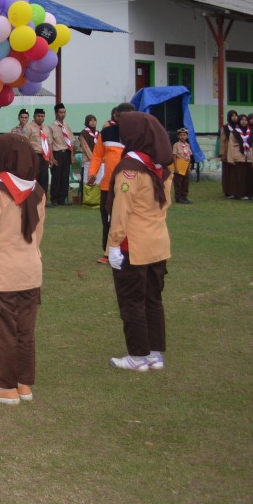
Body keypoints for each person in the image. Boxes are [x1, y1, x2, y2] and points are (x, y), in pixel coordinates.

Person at [0, 134, 46, 405]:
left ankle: (6, 386)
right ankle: (24, 383)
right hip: (30, 271)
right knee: (25, 329)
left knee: (3, 330)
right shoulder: (38, 190)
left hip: (3, 274)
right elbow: (38, 234)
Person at [106, 111, 173, 372]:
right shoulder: (161, 167)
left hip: (132, 245)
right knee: (153, 300)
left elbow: (122, 211)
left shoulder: (130, 169)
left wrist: (113, 244)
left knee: (132, 301)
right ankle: (154, 353)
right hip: (157, 242)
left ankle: (138, 354)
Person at [88, 103, 134, 263]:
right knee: (107, 219)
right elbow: (97, 156)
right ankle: (108, 253)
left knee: (127, 219)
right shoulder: (106, 133)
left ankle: (128, 251)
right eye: (124, 116)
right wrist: (92, 173)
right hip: (108, 185)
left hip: (129, 185)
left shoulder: (137, 134)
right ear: (116, 116)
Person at [46, 103, 74, 205]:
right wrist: (52, 158)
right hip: (57, 153)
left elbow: (70, 142)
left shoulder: (66, 126)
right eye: (60, 112)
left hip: (66, 153)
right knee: (56, 177)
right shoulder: (51, 127)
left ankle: (62, 199)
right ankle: (54, 198)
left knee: (65, 176)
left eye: (64, 112)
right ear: (56, 113)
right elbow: (50, 143)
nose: (62, 114)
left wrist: (72, 156)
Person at [24, 107, 51, 201]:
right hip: (34, 155)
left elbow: (49, 143)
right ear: (34, 116)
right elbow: (24, 142)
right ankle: (33, 199)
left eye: (42, 116)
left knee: (44, 177)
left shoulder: (46, 128)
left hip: (44, 156)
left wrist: (51, 157)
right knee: (35, 177)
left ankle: (43, 198)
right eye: (38, 116)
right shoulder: (28, 127)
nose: (40, 118)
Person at [219, 110, 241, 199]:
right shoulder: (225, 127)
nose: (234, 117)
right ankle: (228, 191)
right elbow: (222, 141)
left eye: (236, 115)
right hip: (227, 151)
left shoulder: (240, 127)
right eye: (232, 116)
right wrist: (222, 153)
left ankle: (237, 190)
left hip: (237, 152)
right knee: (228, 173)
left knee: (237, 172)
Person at [77, 114, 99, 204]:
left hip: (98, 161)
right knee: (87, 179)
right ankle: (86, 199)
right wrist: (94, 158)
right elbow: (85, 147)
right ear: (87, 122)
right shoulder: (84, 133)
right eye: (91, 120)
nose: (93, 122)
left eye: (94, 120)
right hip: (88, 160)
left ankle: (96, 199)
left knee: (98, 179)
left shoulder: (98, 133)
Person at [172, 127, 193, 204]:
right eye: (180, 135)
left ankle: (184, 197)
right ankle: (178, 198)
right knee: (178, 182)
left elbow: (189, 156)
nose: (182, 136)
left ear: (187, 136)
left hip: (186, 165)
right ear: (178, 136)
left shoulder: (188, 145)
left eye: (184, 135)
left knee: (185, 182)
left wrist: (189, 167)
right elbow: (174, 156)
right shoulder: (176, 145)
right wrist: (176, 167)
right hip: (179, 165)